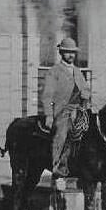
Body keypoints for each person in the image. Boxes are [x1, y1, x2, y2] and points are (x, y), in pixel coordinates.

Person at [40, 37, 92, 191]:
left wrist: (85, 94)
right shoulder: (54, 71)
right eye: (67, 52)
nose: (70, 55)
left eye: (73, 53)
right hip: (62, 111)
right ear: (61, 52)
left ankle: (85, 171)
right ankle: (58, 173)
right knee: (62, 134)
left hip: (79, 109)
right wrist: (49, 115)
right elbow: (47, 95)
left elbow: (85, 89)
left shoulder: (77, 71)